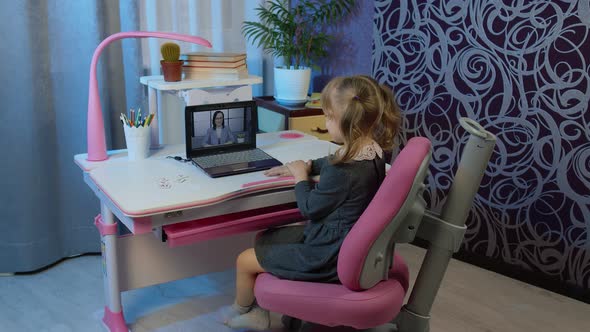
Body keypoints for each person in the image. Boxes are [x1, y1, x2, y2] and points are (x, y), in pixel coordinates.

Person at [221, 75, 402, 330]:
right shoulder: (372, 152)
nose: (326, 121)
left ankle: (244, 308)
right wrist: (305, 165)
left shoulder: (343, 173)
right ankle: (261, 310)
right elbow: (333, 161)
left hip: (327, 254)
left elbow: (309, 208)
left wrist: (300, 178)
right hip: (341, 240)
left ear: (345, 123)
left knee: (245, 260)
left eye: (328, 116)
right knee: (266, 238)